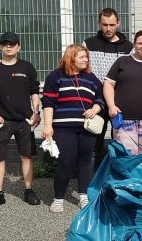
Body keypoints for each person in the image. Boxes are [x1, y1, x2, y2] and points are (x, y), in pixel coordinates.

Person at [0, 31, 42, 209]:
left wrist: (36, 112)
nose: (9, 46)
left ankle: (29, 190)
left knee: (26, 156)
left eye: (12, 44)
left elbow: (34, 91)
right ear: (0, 46)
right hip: (3, 121)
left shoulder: (27, 67)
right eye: (5, 43)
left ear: (18, 47)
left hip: (24, 121)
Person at [41, 44, 105, 213]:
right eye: (82, 57)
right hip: (63, 128)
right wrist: (48, 126)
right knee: (66, 162)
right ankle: (58, 198)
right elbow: (48, 103)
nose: (86, 60)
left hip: (86, 128)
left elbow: (101, 98)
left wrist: (94, 110)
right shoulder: (56, 76)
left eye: (86, 57)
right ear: (71, 58)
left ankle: (84, 196)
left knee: (85, 161)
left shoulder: (91, 78)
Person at [83, 8, 133, 169]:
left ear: (118, 23)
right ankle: (92, 178)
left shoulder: (128, 47)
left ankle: (116, 175)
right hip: (95, 100)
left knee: (120, 140)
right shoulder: (89, 44)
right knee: (93, 141)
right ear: (99, 24)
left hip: (119, 100)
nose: (108, 28)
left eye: (112, 24)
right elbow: (83, 69)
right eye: (104, 25)